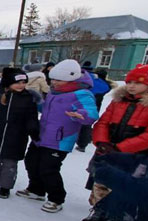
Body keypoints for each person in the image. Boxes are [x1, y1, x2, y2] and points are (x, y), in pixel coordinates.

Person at [81, 64, 148, 221]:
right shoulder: (119, 101)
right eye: (129, 82)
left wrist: (121, 148)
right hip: (109, 148)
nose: (131, 86)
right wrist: (101, 142)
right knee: (101, 180)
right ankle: (100, 210)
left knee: (123, 184)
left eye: (137, 82)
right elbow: (103, 122)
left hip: (136, 154)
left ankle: (115, 216)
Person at [16, 59, 99, 213]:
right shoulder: (55, 92)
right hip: (42, 135)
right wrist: (37, 101)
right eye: (52, 79)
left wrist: (80, 114)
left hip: (60, 139)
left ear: (71, 78)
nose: (54, 82)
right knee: (31, 162)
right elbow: (47, 109)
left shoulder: (82, 94)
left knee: (49, 168)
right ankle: (36, 190)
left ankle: (56, 198)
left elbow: (92, 114)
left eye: (58, 80)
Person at [0, 68, 41, 198]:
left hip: (16, 137)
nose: (21, 85)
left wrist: (33, 131)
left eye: (24, 82)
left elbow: (31, 117)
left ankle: (5, 187)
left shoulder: (28, 98)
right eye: (17, 82)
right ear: (8, 83)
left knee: (10, 165)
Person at [76, 64, 113, 152]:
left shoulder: (83, 79)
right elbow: (107, 89)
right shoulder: (102, 83)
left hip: (81, 103)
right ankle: (84, 143)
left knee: (77, 122)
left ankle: (79, 141)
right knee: (87, 124)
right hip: (96, 105)